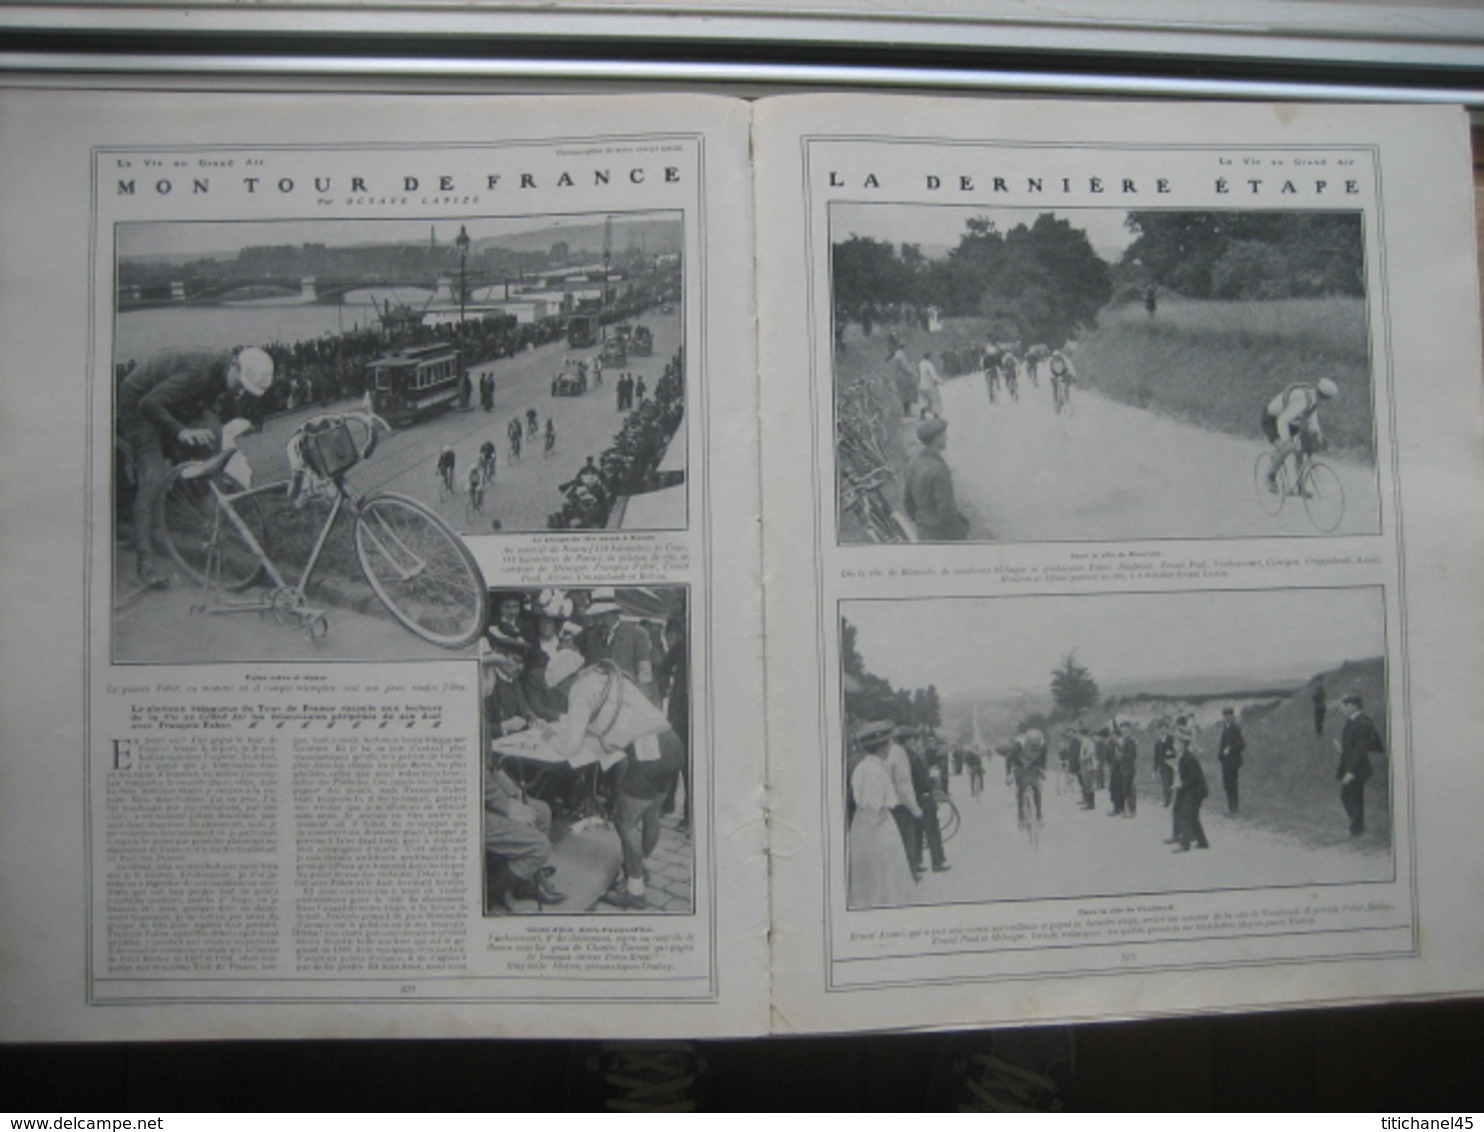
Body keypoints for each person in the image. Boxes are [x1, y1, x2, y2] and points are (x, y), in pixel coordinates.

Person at [117, 344, 275, 586]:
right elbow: (150, 403)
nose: (241, 392)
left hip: (173, 399)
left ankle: (207, 516)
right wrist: (181, 432)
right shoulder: (199, 374)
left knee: (212, 434)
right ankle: (145, 561)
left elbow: (197, 404)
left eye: (247, 389)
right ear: (234, 364)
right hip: (140, 400)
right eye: (241, 384)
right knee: (154, 475)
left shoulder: (222, 373)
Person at [543, 660, 683, 910]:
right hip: (671, 743)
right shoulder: (607, 676)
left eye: (559, 690)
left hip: (647, 752)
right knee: (651, 816)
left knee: (625, 823)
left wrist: (548, 735)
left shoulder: (580, 690)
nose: (563, 694)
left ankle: (635, 890)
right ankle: (638, 869)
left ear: (565, 682)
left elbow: (570, 747)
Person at [848, 721, 915, 908]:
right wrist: (882, 818)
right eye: (888, 745)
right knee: (882, 872)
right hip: (875, 828)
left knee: (880, 873)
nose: (890, 748)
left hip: (869, 825)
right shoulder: (871, 770)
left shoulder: (869, 767)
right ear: (882, 747)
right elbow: (872, 807)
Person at [1262, 378, 1338, 493]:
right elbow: (1283, 420)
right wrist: (1286, 440)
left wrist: (1319, 436)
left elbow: (1312, 422)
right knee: (1287, 448)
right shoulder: (1302, 400)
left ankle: (1300, 486)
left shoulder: (1313, 400)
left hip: (1291, 422)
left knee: (1300, 452)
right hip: (1272, 420)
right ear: (1325, 397)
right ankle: (1270, 477)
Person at [903, 417, 969, 542]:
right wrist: (959, 537)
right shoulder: (939, 470)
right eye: (944, 434)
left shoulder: (912, 463)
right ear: (936, 438)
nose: (946, 438)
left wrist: (922, 522)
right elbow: (947, 513)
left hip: (923, 533)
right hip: (941, 536)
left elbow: (908, 503)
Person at [1335, 693, 1385, 837]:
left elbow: (1361, 750)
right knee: (1350, 796)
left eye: (1343, 706)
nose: (1341, 709)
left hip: (1357, 768)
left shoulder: (1361, 723)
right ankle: (1357, 827)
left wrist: (1351, 772)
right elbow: (1357, 746)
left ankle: (1357, 829)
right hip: (1353, 765)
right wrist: (1343, 749)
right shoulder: (1353, 721)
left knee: (1352, 796)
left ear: (1353, 706)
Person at [906, 731, 950, 874]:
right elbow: (924, 782)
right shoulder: (914, 758)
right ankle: (938, 862)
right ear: (911, 740)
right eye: (917, 741)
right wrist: (933, 779)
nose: (919, 744)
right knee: (932, 831)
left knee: (917, 831)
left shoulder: (905, 756)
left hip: (913, 798)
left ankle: (917, 861)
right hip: (923, 798)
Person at [884, 726, 923, 879]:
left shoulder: (888, 753)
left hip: (888, 803)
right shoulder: (900, 755)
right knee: (908, 840)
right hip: (901, 805)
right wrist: (914, 807)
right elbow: (904, 784)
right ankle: (910, 874)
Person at [1169, 719, 1210, 852]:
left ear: (1182, 744)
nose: (1174, 745)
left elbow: (1194, 778)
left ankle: (1184, 844)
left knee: (1186, 815)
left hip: (1197, 790)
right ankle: (1202, 842)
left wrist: (1180, 785)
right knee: (1192, 816)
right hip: (1191, 789)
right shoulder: (1182, 756)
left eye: (1176, 742)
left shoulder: (1189, 758)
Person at [1006, 728, 1047, 826]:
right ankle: (1021, 816)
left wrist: (1042, 770)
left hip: (1033, 766)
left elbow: (1043, 759)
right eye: (1032, 745)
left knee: (1036, 789)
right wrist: (1008, 774)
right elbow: (1008, 759)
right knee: (1021, 789)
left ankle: (1039, 815)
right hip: (1019, 766)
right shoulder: (1019, 745)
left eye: (1036, 746)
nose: (1034, 747)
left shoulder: (1043, 745)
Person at [1217, 707, 1245, 815]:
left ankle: (1234, 809)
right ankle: (1231, 808)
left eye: (1229, 716)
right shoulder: (1226, 728)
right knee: (1227, 785)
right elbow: (1222, 743)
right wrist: (1220, 755)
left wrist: (1231, 749)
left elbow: (1241, 744)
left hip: (1233, 761)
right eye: (1225, 716)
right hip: (1226, 761)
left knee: (1232, 785)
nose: (1227, 718)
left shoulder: (1234, 728)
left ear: (1232, 716)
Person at [888, 337, 919, 417]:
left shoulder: (898, 354)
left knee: (905, 394)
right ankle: (907, 412)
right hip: (903, 376)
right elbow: (905, 367)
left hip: (899, 375)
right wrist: (913, 373)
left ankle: (907, 412)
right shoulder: (900, 354)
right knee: (908, 393)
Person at [1114, 722, 1139, 817]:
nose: (1123, 730)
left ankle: (1132, 810)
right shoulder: (1124, 740)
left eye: (1125, 728)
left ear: (1129, 729)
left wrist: (1121, 756)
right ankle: (1129, 809)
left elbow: (1132, 755)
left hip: (1129, 767)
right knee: (1125, 788)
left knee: (1128, 788)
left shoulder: (1130, 740)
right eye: (1122, 729)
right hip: (1123, 767)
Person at [1152, 717, 1177, 808]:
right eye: (1161, 729)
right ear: (1159, 730)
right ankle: (1167, 800)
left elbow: (1176, 750)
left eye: (1165, 728)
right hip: (1162, 765)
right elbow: (1156, 756)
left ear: (1167, 729)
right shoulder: (1157, 742)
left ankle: (1171, 798)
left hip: (1171, 763)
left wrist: (1172, 753)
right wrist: (1155, 770)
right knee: (1165, 782)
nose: (1163, 731)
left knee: (1171, 782)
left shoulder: (1171, 739)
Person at [917, 350, 945, 419]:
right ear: (929, 357)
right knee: (934, 399)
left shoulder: (921, 364)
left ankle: (922, 414)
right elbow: (934, 377)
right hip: (929, 385)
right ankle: (935, 414)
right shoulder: (929, 365)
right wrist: (941, 381)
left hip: (922, 385)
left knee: (923, 399)